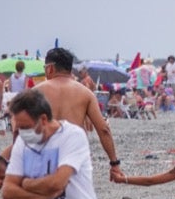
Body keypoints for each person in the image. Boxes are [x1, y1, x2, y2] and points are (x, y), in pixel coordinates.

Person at [33, 47, 124, 182]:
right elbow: (103, 129)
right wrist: (114, 164)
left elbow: (21, 130)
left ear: (50, 68)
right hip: (74, 157)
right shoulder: (85, 93)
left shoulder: (35, 93)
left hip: (43, 156)